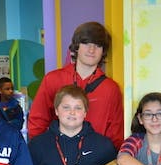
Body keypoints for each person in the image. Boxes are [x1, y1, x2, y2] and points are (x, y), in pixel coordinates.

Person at [28, 21, 124, 149]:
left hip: (96, 156)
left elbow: (116, 133)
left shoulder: (111, 89)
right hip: (57, 154)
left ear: (103, 51)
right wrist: (41, 151)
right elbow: (38, 121)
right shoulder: (53, 79)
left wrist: (109, 157)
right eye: (86, 43)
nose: (91, 50)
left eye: (98, 45)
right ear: (76, 46)